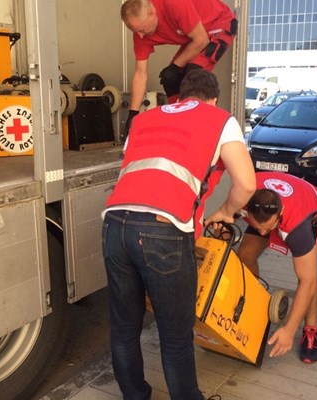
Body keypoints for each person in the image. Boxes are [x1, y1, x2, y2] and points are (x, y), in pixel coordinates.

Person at [101, 69, 255, 400]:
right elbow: (247, 183)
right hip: (162, 229)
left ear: (179, 97)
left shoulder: (144, 118)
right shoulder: (219, 119)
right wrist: (226, 212)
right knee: (175, 336)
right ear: (214, 99)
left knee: (125, 328)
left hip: (114, 223)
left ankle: (135, 396)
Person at [237, 171, 317, 364]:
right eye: (258, 227)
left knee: (308, 275)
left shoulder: (297, 227)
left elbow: (308, 281)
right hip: (267, 208)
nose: (263, 232)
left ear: (280, 214)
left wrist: (289, 329)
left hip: (312, 211)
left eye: (268, 228)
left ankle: (311, 331)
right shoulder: (242, 193)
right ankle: (254, 302)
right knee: (245, 254)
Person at [120, 0, 238, 137]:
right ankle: (180, 124)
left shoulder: (174, 4)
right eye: (135, 31)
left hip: (219, 24)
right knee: (170, 79)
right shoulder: (141, 33)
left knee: (193, 78)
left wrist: (175, 66)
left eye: (141, 29)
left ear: (151, 12)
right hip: (194, 35)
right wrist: (133, 115)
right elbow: (140, 74)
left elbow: (201, 40)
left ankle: (208, 132)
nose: (140, 35)